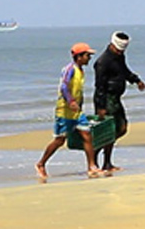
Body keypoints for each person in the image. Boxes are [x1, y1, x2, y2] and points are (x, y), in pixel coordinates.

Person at [36, 42, 101, 179]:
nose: (89, 58)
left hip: (77, 112)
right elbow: (64, 87)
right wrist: (70, 101)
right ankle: (41, 164)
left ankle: (92, 166)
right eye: (87, 55)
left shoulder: (81, 70)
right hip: (64, 111)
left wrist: (79, 105)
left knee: (87, 135)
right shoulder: (69, 69)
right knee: (60, 140)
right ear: (79, 56)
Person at [93, 31, 145, 172]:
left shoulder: (119, 57)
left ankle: (103, 158)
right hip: (107, 99)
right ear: (112, 45)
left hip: (116, 98)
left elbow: (124, 71)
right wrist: (101, 106)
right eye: (118, 49)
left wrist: (136, 80)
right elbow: (99, 86)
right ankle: (100, 159)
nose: (120, 52)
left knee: (121, 128)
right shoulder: (102, 62)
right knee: (110, 130)